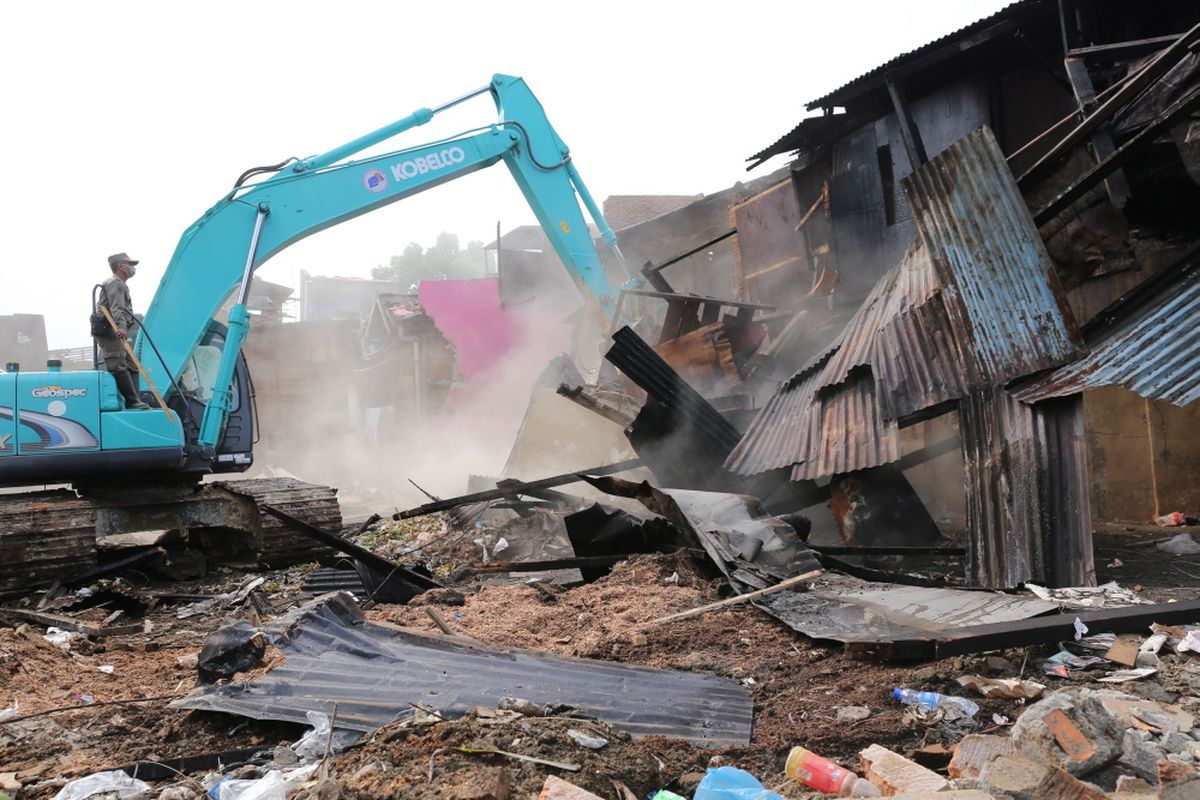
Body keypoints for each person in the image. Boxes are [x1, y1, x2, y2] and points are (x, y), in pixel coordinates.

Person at [96, 252, 150, 410]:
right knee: (118, 363)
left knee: (132, 365)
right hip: (110, 329)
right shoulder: (115, 283)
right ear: (121, 266)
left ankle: (135, 400)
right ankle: (132, 401)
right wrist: (121, 327)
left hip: (116, 328)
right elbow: (116, 308)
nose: (132, 268)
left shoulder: (119, 283)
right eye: (130, 264)